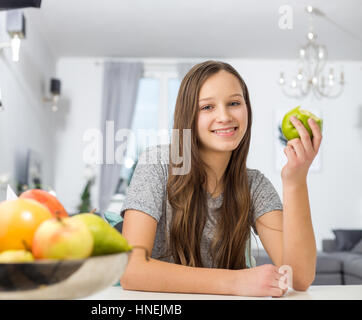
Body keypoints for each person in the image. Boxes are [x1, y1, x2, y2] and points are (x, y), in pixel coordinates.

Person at [119, 60, 321, 297]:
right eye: (207, 107)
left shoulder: (254, 185)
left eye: (234, 103)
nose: (224, 116)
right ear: (188, 116)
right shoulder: (157, 164)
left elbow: (299, 277)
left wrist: (295, 181)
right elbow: (131, 270)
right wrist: (236, 282)